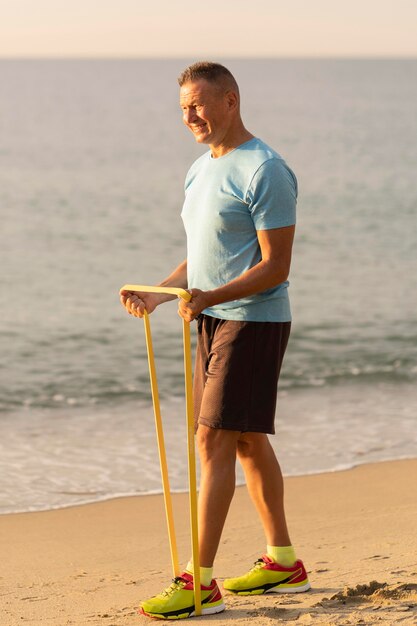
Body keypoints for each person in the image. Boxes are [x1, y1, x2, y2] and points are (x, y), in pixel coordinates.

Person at [120, 61, 310, 620]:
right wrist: (163, 292)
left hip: (253, 318)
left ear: (231, 100)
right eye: (183, 107)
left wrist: (209, 296)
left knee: (211, 440)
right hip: (211, 315)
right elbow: (205, 253)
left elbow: (275, 267)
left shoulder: (267, 170)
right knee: (246, 440)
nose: (189, 117)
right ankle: (284, 563)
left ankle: (198, 581)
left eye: (198, 105)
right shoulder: (200, 169)